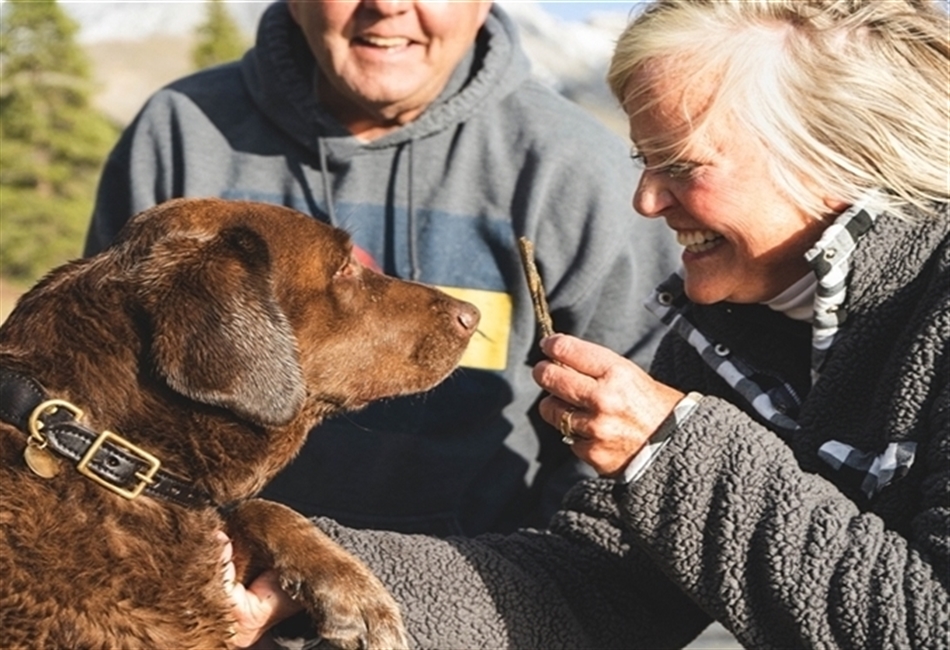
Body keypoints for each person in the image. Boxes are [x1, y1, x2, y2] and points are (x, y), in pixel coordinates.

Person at [226, 0, 950, 647]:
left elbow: (927, 621)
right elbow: (596, 587)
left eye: (680, 163)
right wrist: (308, 572)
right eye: (643, 159)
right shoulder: (722, 334)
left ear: (841, 153)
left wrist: (672, 448)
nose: (644, 200)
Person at [83, 0, 679, 537]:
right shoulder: (181, 134)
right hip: (213, 594)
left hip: (483, 599)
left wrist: (535, 601)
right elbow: (98, 393)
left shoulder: (574, 169)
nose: (388, 7)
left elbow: (628, 444)